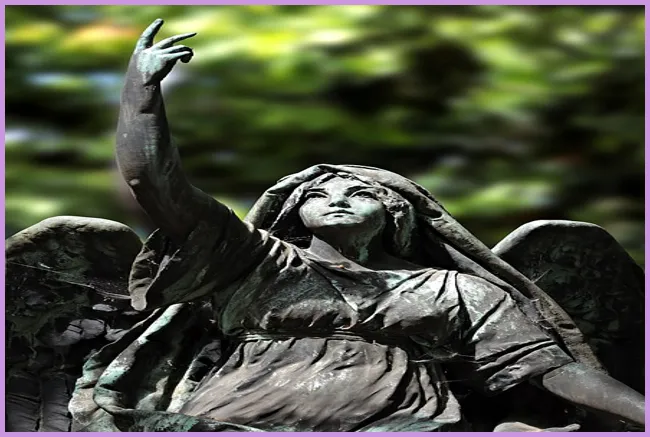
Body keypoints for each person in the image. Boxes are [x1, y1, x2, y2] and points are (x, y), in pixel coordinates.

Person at [70, 19, 645, 432]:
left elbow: (553, 370)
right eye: (317, 194)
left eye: (358, 191)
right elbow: (154, 182)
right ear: (295, 212)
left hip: (405, 423)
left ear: (396, 212)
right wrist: (141, 94)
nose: (336, 199)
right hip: (235, 418)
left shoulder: (456, 290)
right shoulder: (255, 261)